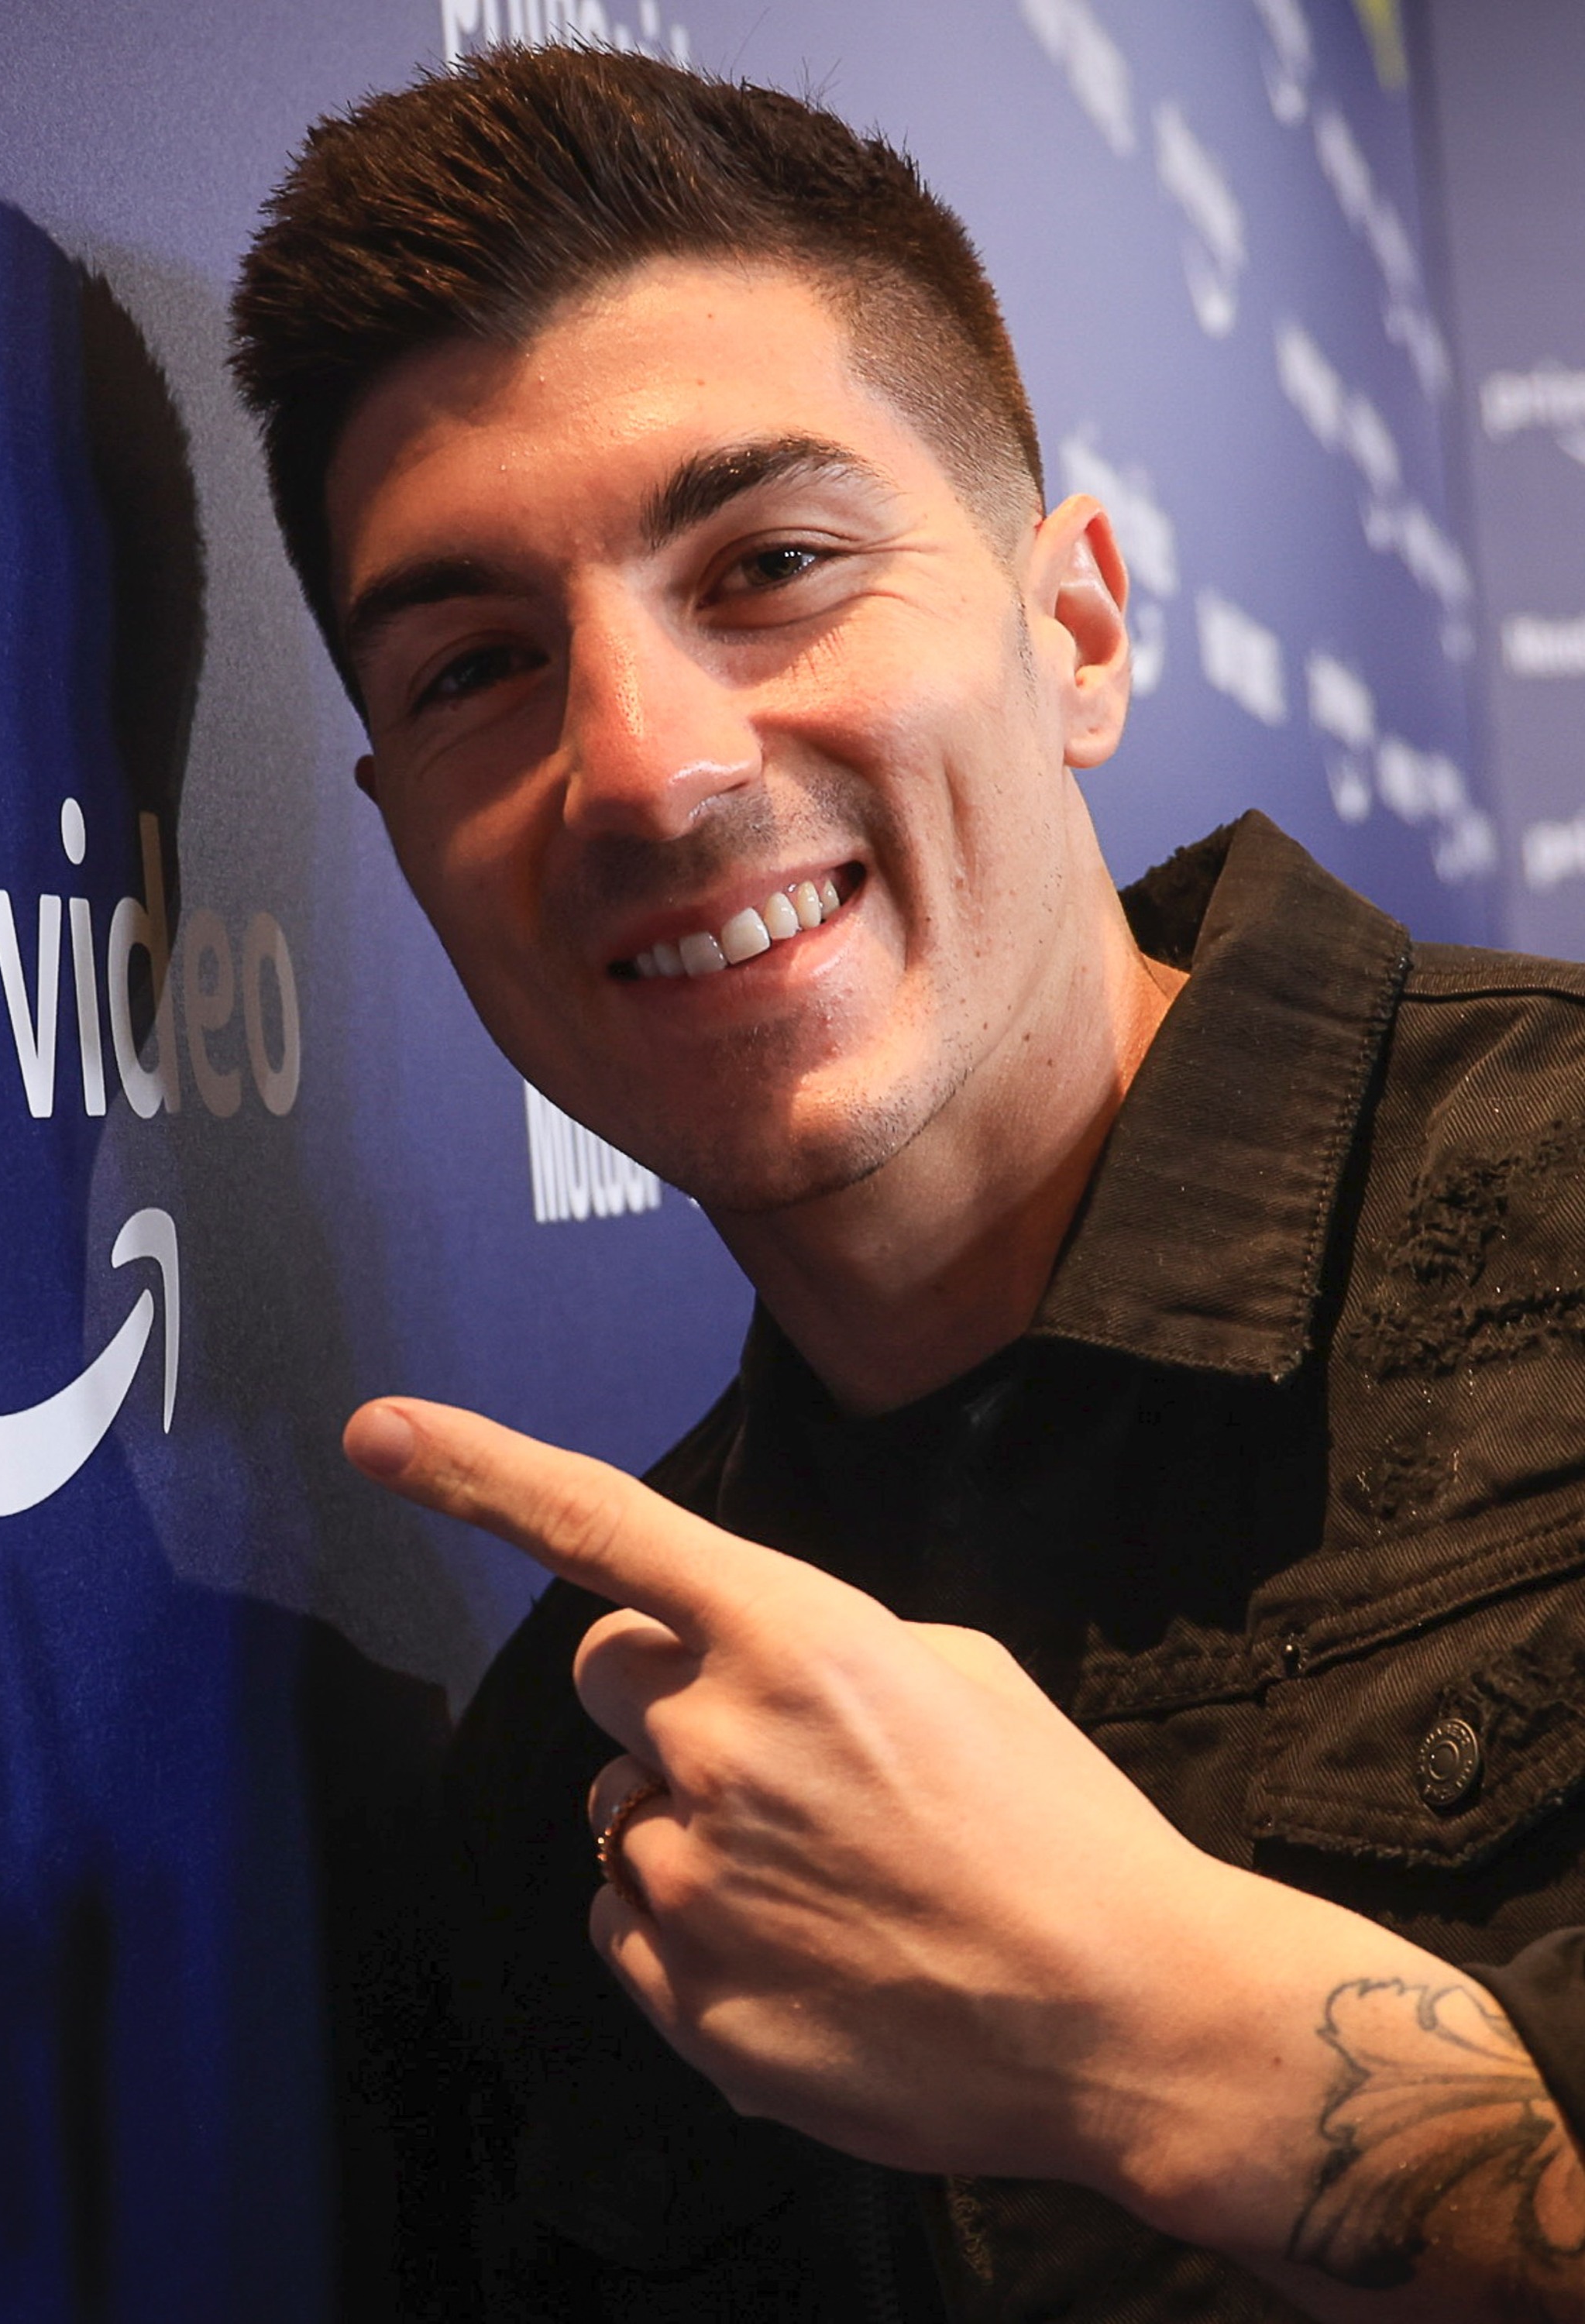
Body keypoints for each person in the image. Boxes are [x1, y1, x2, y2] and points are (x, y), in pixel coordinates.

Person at [230, 44, 1585, 2322]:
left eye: (770, 566)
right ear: (403, 841)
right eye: (477, 668)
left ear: (1075, 634)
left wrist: (1163, 2038)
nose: (644, 767)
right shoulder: (582, 1768)